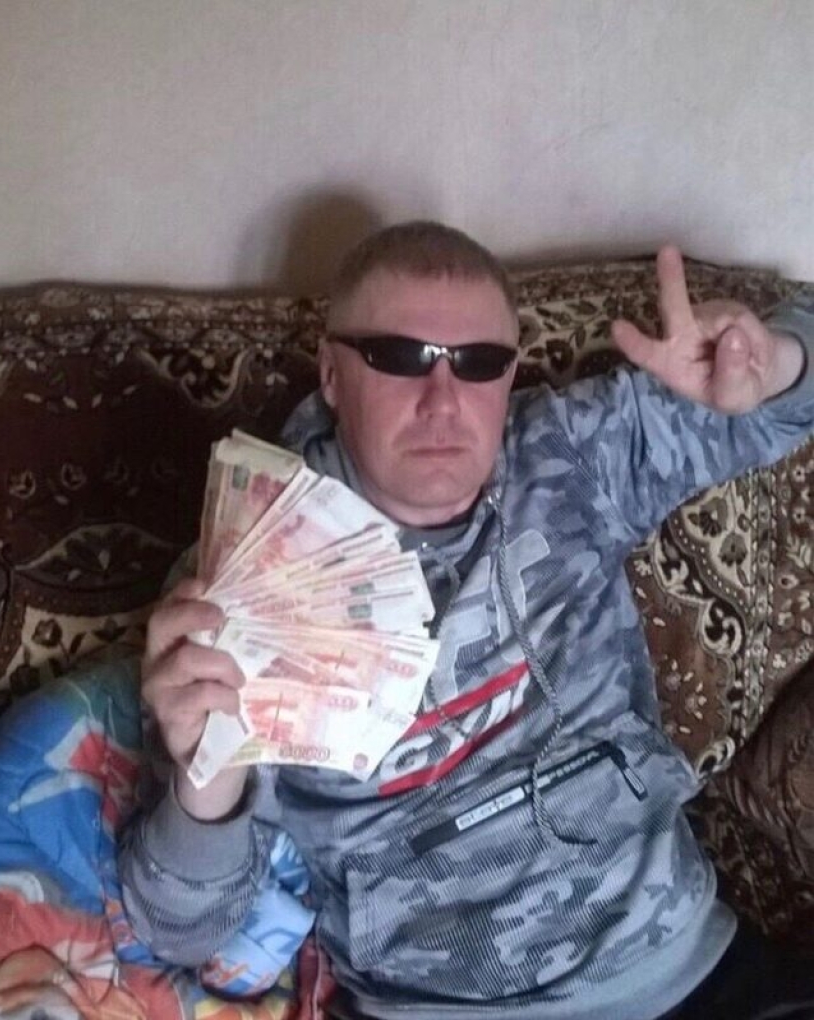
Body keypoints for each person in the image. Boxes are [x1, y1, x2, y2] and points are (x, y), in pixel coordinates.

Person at [118, 221, 814, 1020]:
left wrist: (772, 366)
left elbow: (790, 377)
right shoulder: (242, 574)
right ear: (331, 374)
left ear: (509, 373)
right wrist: (203, 783)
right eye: (400, 356)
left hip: (681, 968)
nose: (443, 401)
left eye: (477, 363)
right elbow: (181, 932)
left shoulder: (567, 456)